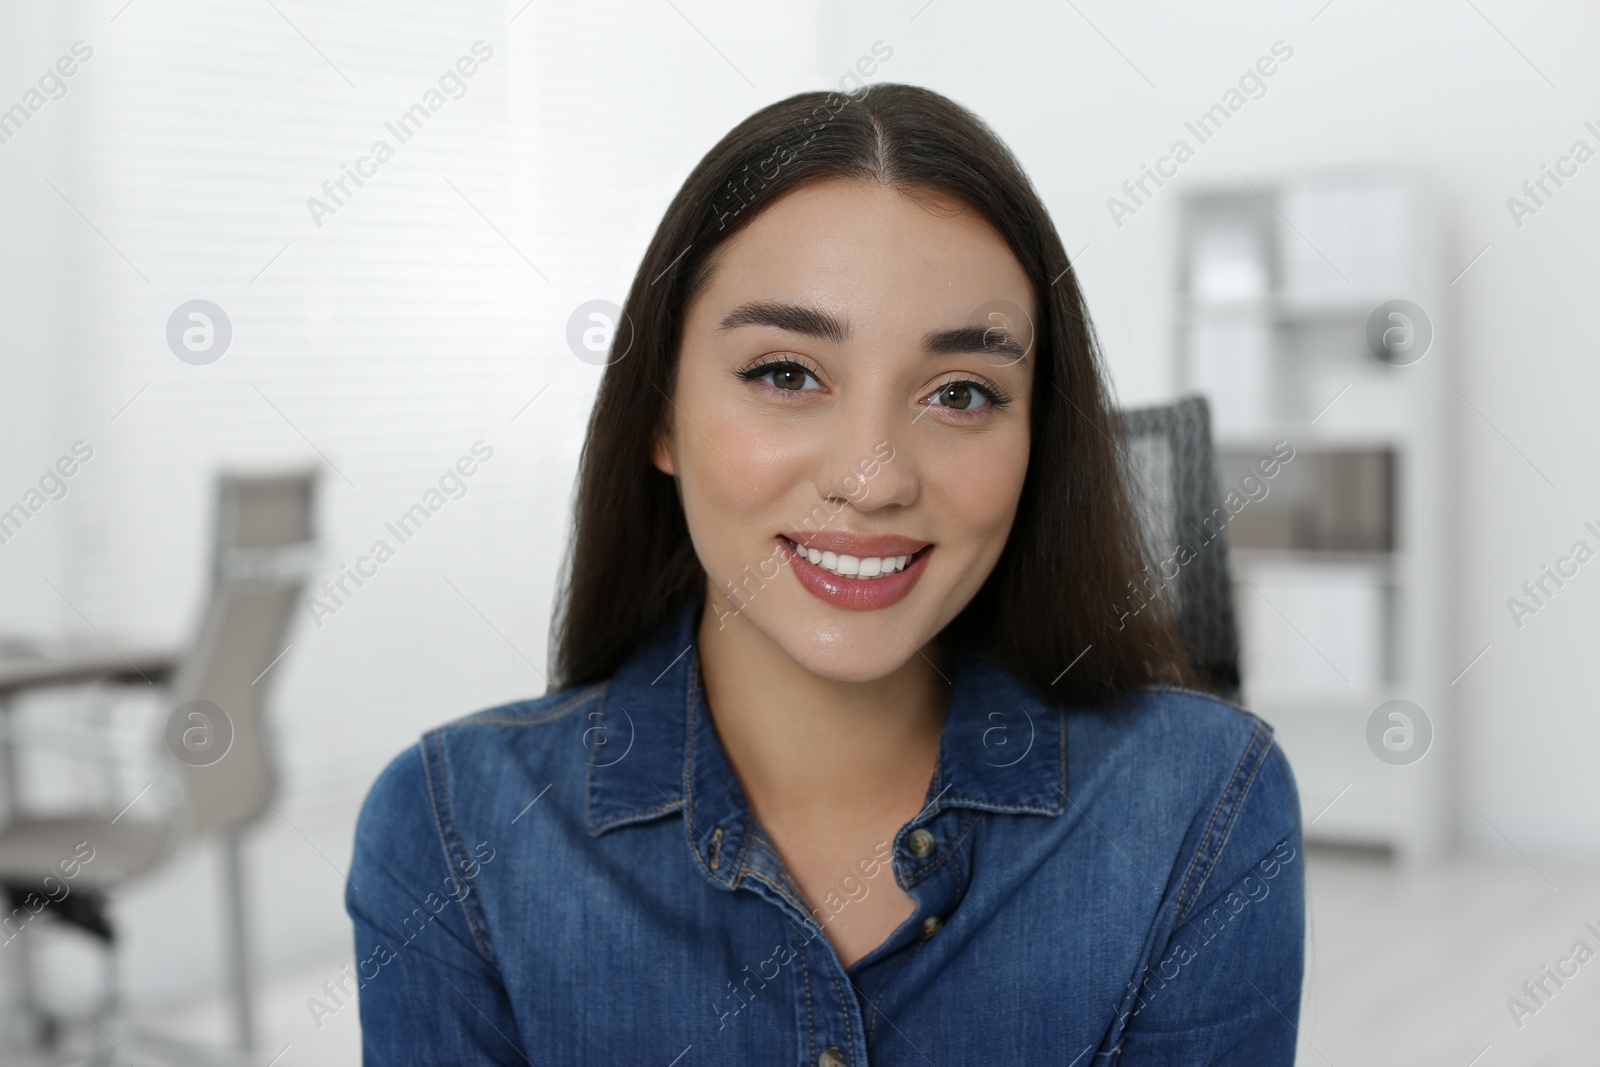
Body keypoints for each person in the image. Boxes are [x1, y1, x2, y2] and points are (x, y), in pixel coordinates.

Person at [345, 82, 1304, 1065]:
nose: (873, 478)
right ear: (661, 416)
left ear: (1037, 442)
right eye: (787, 373)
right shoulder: (454, 831)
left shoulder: (1200, 805)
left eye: (961, 392)